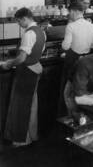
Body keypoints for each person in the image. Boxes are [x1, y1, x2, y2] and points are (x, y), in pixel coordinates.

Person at [0, 8, 46, 147]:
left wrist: (8, 64)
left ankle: (21, 140)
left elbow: (21, 58)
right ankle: (32, 135)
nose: (18, 24)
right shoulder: (41, 31)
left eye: (19, 21)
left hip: (26, 71)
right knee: (32, 104)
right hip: (35, 68)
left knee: (21, 106)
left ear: (25, 18)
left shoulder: (29, 33)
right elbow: (37, 51)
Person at [60, 3, 93, 115]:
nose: (68, 15)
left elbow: (65, 46)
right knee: (84, 91)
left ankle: (71, 118)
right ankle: (84, 116)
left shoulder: (71, 26)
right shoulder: (92, 26)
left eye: (69, 12)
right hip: (88, 62)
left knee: (69, 92)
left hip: (73, 62)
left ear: (74, 11)